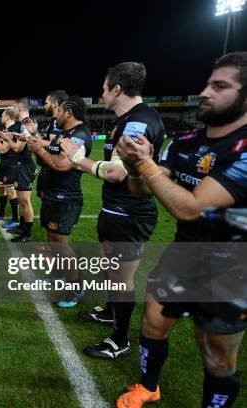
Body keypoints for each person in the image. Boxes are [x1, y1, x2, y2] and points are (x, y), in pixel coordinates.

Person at [115, 52, 247, 408]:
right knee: (153, 322)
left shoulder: (244, 148)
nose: (205, 92)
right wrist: (133, 167)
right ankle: (149, 386)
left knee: (217, 354)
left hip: (232, 268)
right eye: (207, 83)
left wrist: (145, 162)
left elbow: (188, 206)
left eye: (219, 86)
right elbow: (143, 190)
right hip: (184, 253)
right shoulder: (186, 142)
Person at [61, 62, 165, 359]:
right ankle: (110, 312)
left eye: (104, 88)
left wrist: (79, 160)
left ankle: (120, 340)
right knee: (111, 272)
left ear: (116, 89)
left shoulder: (138, 122)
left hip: (130, 213)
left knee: (121, 279)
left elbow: (117, 174)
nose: (101, 94)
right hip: (117, 210)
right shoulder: (130, 118)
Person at [25, 96, 93, 308]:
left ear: (69, 112)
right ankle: (57, 274)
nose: (56, 114)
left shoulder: (80, 134)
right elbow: (48, 152)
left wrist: (39, 149)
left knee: (62, 247)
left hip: (66, 198)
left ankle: (76, 287)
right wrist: (37, 143)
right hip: (53, 195)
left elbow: (62, 165)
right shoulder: (64, 133)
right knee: (53, 242)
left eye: (59, 110)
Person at [0, 98, 37, 242]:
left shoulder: (26, 124)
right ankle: (22, 227)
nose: (13, 110)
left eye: (15, 107)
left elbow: (17, 148)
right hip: (19, 166)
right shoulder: (23, 125)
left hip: (25, 166)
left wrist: (5, 137)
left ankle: (27, 234)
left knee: (25, 201)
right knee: (22, 201)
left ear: (19, 108)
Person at [0, 108, 20, 228]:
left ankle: (16, 219)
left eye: (2, 116)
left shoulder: (13, 130)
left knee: (11, 191)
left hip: (11, 165)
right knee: (1, 189)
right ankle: (1, 214)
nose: (1, 118)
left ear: (7, 117)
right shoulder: (7, 130)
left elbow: (3, 149)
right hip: (4, 163)